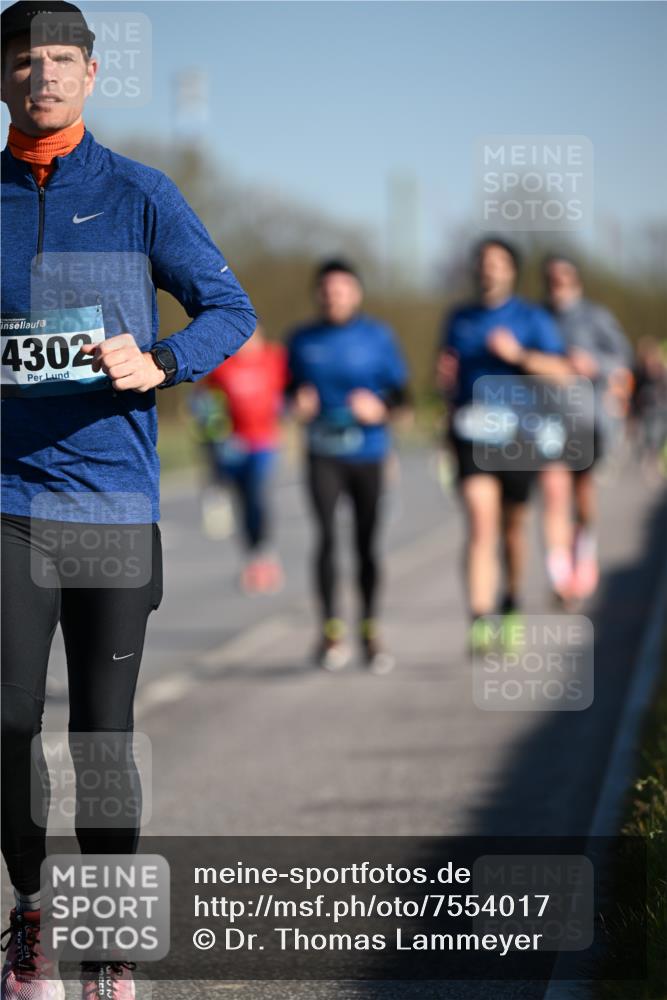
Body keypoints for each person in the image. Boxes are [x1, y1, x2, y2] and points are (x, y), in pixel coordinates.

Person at [0, 3, 256, 997]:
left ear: (92, 76)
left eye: (61, 59)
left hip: (110, 503)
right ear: (4, 77)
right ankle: (31, 914)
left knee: (101, 735)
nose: (43, 75)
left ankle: (107, 940)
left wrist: (161, 360)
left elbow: (230, 308)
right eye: (26, 60)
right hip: (10, 501)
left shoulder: (141, 193)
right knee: (8, 723)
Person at [437, 238, 571, 653]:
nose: (489, 269)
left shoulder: (531, 318)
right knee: (481, 522)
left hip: (519, 436)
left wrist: (519, 355)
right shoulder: (459, 318)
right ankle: (479, 619)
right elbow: (448, 378)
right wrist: (444, 384)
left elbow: (562, 374)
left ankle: (511, 601)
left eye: (498, 263)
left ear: (512, 271)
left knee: (513, 530)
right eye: (483, 262)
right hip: (471, 432)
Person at [287, 259, 409, 674]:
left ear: (356, 294)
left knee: (365, 544)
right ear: (317, 294)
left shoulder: (378, 336)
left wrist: (380, 408)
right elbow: (287, 392)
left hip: (368, 453)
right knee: (325, 537)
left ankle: (370, 630)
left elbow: (402, 396)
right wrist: (296, 403)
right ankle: (330, 632)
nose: (333, 296)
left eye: (341, 289)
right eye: (326, 289)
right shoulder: (302, 339)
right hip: (323, 451)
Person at [540, 254, 633, 604]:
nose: (557, 283)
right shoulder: (538, 317)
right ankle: (559, 577)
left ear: (575, 279)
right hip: (546, 421)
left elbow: (622, 359)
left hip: (586, 419)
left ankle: (583, 557)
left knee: (581, 495)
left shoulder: (596, 316)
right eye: (551, 278)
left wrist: (594, 363)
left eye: (563, 276)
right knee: (553, 492)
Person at [193, 324, 287, 593]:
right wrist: (210, 436)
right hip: (232, 446)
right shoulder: (224, 364)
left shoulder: (274, 358)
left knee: (258, 495)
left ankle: (265, 554)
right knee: (243, 501)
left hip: (263, 442)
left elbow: (291, 389)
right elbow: (204, 402)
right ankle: (254, 559)